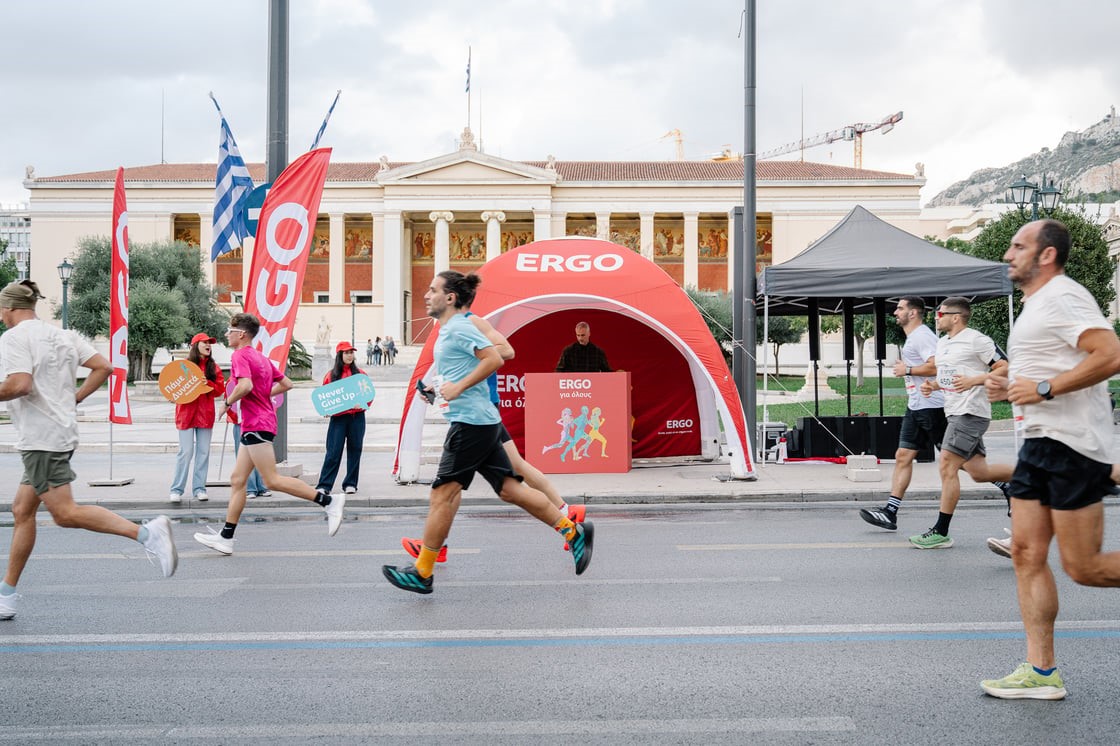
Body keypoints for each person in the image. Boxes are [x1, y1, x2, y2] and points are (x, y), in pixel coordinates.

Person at [976, 219, 1120, 700]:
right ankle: (1042, 674)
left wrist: (1043, 388)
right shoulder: (1035, 305)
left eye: (1019, 246)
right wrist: (1007, 384)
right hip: (1038, 443)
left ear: (1046, 255)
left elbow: (1110, 352)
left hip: (1072, 444)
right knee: (1025, 553)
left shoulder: (1064, 296)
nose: (1008, 253)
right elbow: (1042, 368)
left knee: (1085, 568)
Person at [383, 271, 594, 594]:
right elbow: (471, 366)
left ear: (450, 297)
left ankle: (423, 570)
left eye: (432, 290)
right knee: (510, 489)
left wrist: (458, 388)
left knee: (442, 493)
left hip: (470, 424)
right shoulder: (452, 329)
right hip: (480, 421)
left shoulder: (460, 328)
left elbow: (496, 357)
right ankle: (571, 531)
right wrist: (440, 387)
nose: (426, 295)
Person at [0, 279, 177, 620]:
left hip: (42, 439)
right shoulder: (63, 335)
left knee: (65, 513)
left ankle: (147, 534)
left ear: (8, 308)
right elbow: (105, 367)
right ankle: (6, 594)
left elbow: (19, 384)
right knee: (23, 510)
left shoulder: (14, 338)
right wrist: (73, 399)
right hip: (56, 433)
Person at [194, 312, 345, 555]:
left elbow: (245, 385)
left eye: (229, 330)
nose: (226, 334)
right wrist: (264, 396)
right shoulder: (261, 358)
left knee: (271, 480)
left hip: (256, 424)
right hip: (257, 424)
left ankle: (329, 501)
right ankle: (226, 537)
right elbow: (287, 384)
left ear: (241, 334)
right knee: (237, 480)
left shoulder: (240, 355)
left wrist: (227, 403)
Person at [907, 297, 1013, 549]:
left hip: (971, 412)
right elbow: (949, 376)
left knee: (946, 465)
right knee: (979, 472)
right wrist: (934, 385)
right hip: (953, 411)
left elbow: (1004, 366)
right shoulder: (943, 344)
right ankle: (1020, 481)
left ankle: (941, 531)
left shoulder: (977, 339)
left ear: (956, 317)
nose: (936, 317)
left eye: (940, 313)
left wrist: (975, 380)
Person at [858, 296, 946, 531]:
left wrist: (906, 369)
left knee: (959, 460)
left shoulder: (923, 335)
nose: (895, 312)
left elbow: (937, 365)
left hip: (933, 406)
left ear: (914, 313)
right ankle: (890, 512)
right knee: (903, 456)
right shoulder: (913, 338)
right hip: (917, 406)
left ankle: (1005, 486)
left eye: (900, 308)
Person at [169, 333, 224, 503]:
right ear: (195, 345)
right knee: (185, 452)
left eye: (210, 343)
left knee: (203, 452)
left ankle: (199, 489)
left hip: (205, 415)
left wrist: (207, 383)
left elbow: (219, 389)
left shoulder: (213, 367)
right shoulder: (183, 365)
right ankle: (176, 489)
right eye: (205, 342)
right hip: (186, 414)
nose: (208, 345)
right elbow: (171, 388)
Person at [316, 341, 370, 496]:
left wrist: (365, 404)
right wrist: (326, 408)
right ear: (340, 355)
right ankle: (325, 485)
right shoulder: (331, 375)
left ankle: (351, 484)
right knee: (333, 452)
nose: (349, 355)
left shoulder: (360, 375)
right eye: (346, 353)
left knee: (355, 450)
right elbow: (325, 396)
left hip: (357, 417)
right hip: (338, 420)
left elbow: (368, 395)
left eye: (351, 352)